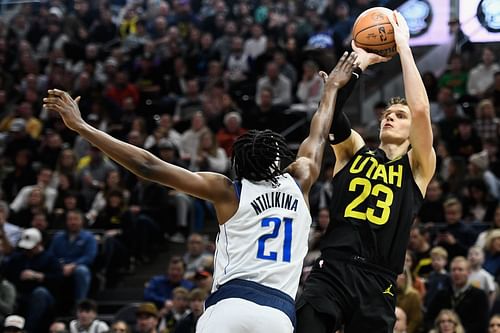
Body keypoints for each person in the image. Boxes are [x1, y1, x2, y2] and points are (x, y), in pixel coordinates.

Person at [43, 51, 359, 333]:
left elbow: (149, 166)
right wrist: (331, 88)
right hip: (278, 314)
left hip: (229, 305)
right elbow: (318, 131)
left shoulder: (228, 191)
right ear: (280, 158)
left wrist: (83, 127)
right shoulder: (301, 176)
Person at [296, 11, 436, 333]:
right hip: (331, 270)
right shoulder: (354, 150)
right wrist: (361, 65)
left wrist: (403, 47)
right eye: (386, 113)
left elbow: (421, 109)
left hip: (378, 281)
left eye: (399, 115)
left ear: (412, 127)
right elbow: (330, 115)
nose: (389, 117)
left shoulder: (418, 165)